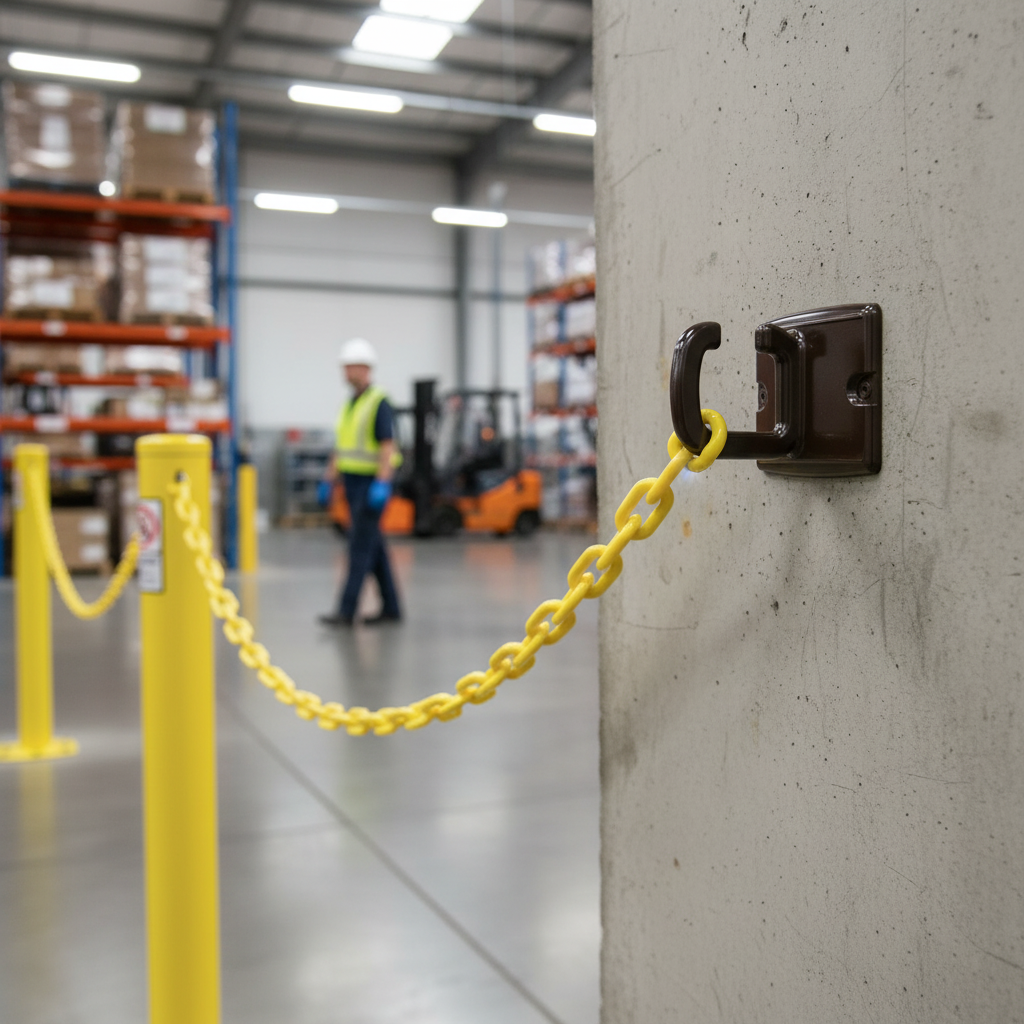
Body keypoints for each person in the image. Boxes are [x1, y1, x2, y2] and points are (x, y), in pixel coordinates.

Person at [319, 338, 402, 626]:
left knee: (359, 548)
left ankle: (346, 611)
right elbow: (341, 446)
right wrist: (329, 479)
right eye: (345, 367)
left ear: (365, 368)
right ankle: (392, 608)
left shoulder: (378, 402)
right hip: (352, 483)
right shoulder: (350, 404)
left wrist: (382, 483)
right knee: (374, 547)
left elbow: (387, 446)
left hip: (370, 484)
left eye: (350, 367)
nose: (346, 372)